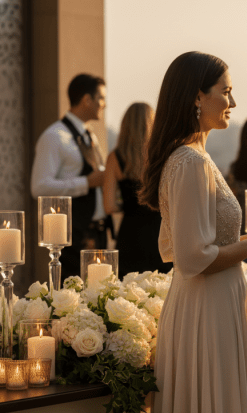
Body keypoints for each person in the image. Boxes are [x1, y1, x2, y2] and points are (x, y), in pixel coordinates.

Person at [138, 51, 247, 413]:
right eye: (225, 92)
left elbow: (176, 247)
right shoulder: (191, 163)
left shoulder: (193, 158)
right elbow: (192, 256)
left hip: (210, 300)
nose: (232, 103)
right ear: (197, 97)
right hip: (207, 306)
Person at [31, 73, 108, 279]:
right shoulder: (54, 137)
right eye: (101, 98)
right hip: (75, 237)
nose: (104, 104)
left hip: (98, 233)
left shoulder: (90, 135)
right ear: (86, 99)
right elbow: (39, 187)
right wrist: (86, 183)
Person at [103, 102, 172, 277]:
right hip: (160, 232)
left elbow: (109, 206)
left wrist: (127, 205)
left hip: (130, 234)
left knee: (128, 293)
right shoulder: (163, 155)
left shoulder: (115, 157)